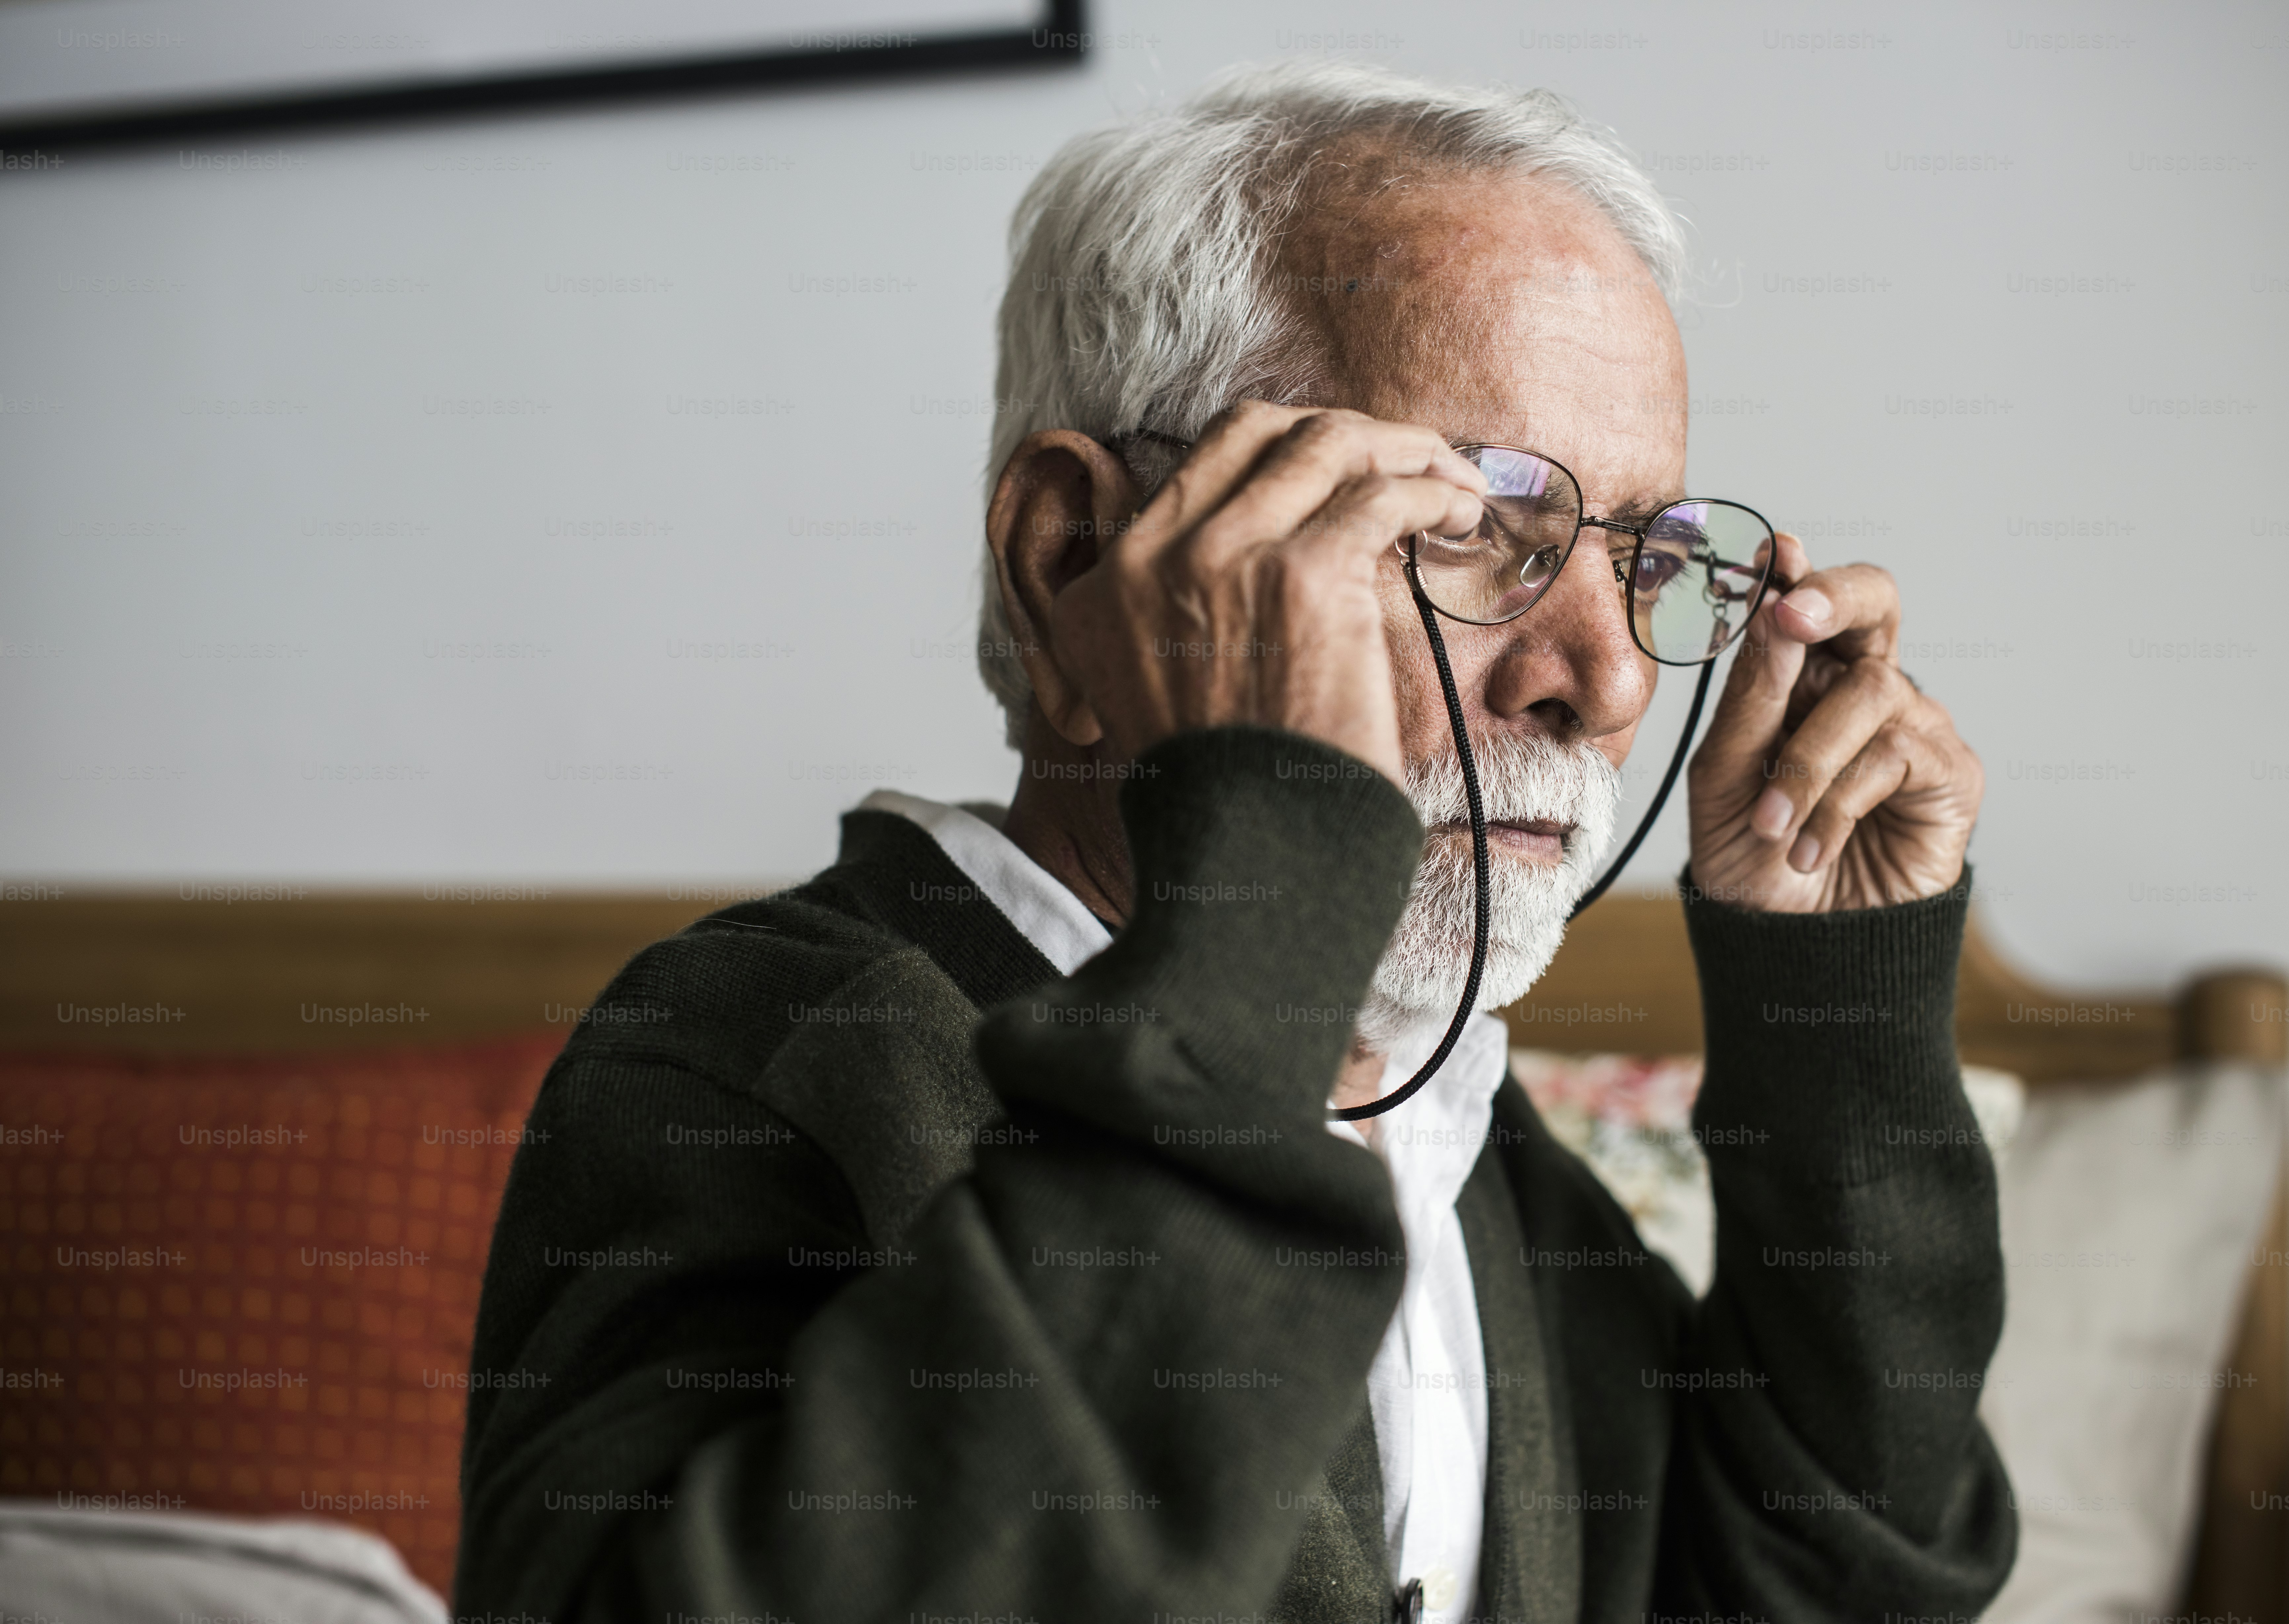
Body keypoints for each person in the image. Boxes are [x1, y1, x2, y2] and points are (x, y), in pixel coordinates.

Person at [457, 61, 2012, 1623]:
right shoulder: (750, 1058)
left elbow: (1823, 1588)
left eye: (1647, 560)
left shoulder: (1457, 1127)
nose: (1604, 675)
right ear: (1072, 565)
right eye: (1470, 521)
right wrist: (1267, 894)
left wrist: (1838, 1015)